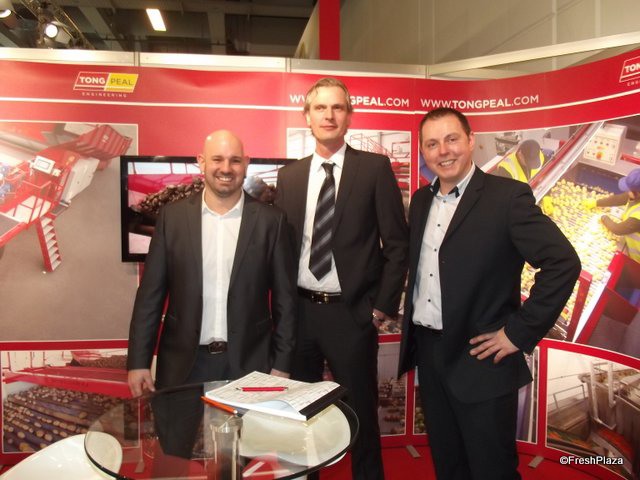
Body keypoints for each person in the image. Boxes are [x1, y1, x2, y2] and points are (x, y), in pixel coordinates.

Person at [398, 108, 581, 480]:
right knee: (448, 464)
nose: (443, 151)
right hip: (430, 356)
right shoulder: (420, 201)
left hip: (480, 359)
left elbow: (563, 262)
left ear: (471, 141)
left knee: (491, 469)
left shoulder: (506, 198)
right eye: (432, 144)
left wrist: (518, 332)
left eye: (451, 139)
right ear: (424, 151)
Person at [275, 77, 408, 480]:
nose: (329, 115)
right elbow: (281, 249)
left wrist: (381, 307)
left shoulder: (374, 169)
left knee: (361, 414)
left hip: (351, 315)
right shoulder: (290, 176)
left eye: (337, 107)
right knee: (300, 413)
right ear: (307, 116)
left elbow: (397, 244)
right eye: (320, 108)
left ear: (349, 116)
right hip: (300, 314)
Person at [127, 129, 297, 394]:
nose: (226, 168)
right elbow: (150, 295)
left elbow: (285, 299)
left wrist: (282, 364)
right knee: (178, 424)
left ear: (246, 163)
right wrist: (139, 362)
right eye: (217, 159)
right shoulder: (172, 218)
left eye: (235, 160)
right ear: (202, 161)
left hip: (250, 365)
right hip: (183, 366)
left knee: (250, 426)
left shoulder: (271, 221)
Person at [584, 167, 640, 263]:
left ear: (637, 193)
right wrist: (596, 202)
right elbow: (619, 199)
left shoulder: (637, 218)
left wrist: (603, 217)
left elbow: (617, 229)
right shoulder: (636, 196)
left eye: (629, 190)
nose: (627, 192)